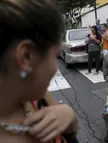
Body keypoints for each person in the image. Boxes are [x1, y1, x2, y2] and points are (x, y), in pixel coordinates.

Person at [0, 0, 78, 142]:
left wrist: (69, 118)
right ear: (26, 56)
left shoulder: (35, 98)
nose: (55, 68)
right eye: (54, 55)